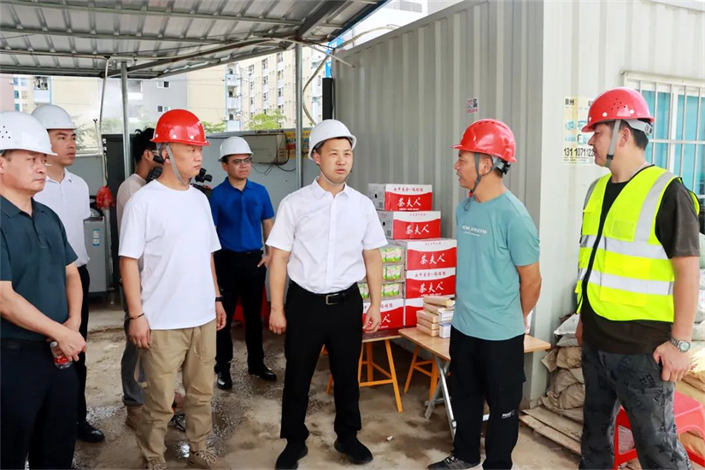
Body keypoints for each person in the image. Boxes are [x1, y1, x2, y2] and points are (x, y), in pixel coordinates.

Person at [575, 87, 700, 470]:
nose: (591, 142)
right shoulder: (597, 190)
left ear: (623, 135)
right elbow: (595, 262)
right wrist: (584, 318)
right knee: (594, 439)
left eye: (597, 133)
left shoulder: (668, 192)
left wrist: (680, 343)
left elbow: (687, 272)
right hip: (596, 342)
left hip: (643, 352)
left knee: (658, 449)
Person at [266, 119, 387, 470]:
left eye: (347, 153)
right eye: (333, 153)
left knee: (347, 376)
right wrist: (277, 307)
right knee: (297, 376)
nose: (342, 160)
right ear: (316, 157)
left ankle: (348, 436)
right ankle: (294, 441)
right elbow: (279, 258)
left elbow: (372, 256)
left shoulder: (362, 205)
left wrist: (376, 304)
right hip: (305, 304)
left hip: (347, 303)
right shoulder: (295, 204)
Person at [429, 119, 542, 470]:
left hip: (500, 336)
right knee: (465, 398)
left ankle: (497, 465)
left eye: (463, 159)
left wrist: (512, 318)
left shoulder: (515, 217)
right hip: (464, 327)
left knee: (503, 409)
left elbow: (532, 281)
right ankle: (464, 455)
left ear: (486, 164)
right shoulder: (465, 208)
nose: (456, 166)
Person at [119, 109, 226, 470]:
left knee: (201, 393)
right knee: (160, 401)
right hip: (162, 321)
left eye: (200, 149)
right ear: (165, 152)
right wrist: (137, 315)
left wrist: (216, 298)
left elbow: (207, 254)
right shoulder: (143, 202)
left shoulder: (199, 200)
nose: (198, 156)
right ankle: (153, 458)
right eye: (190, 149)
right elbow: (128, 262)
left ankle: (199, 449)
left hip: (202, 317)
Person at [0, 111, 87, 469]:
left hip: (57, 354)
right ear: (1, 163)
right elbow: (4, 298)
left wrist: (73, 323)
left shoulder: (48, 216)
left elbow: (72, 273)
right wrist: (61, 333)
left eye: (42, 159)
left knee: (56, 448)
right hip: (12, 358)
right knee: (9, 450)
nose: (42, 167)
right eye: (31, 159)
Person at [31, 104, 105, 443]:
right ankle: (39, 428)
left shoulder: (78, 184)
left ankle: (76, 419)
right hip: (39, 282)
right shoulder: (32, 185)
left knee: (76, 351)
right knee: (40, 355)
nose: (71, 144)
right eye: (61, 137)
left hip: (76, 276)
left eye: (73, 137)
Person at [210, 136, 277, 388]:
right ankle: (223, 368)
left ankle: (256, 364)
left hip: (254, 262)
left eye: (247, 160)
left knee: (254, 317)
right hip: (225, 262)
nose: (243, 165)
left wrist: (269, 254)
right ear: (224, 165)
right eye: (237, 161)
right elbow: (211, 233)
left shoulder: (260, 192)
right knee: (223, 319)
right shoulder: (216, 196)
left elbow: (268, 224)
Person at [115, 127, 161, 430]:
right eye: (161, 151)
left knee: (153, 342)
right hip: (139, 279)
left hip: (153, 279)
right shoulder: (132, 189)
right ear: (148, 154)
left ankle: (152, 393)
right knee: (136, 342)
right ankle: (134, 402)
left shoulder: (146, 186)